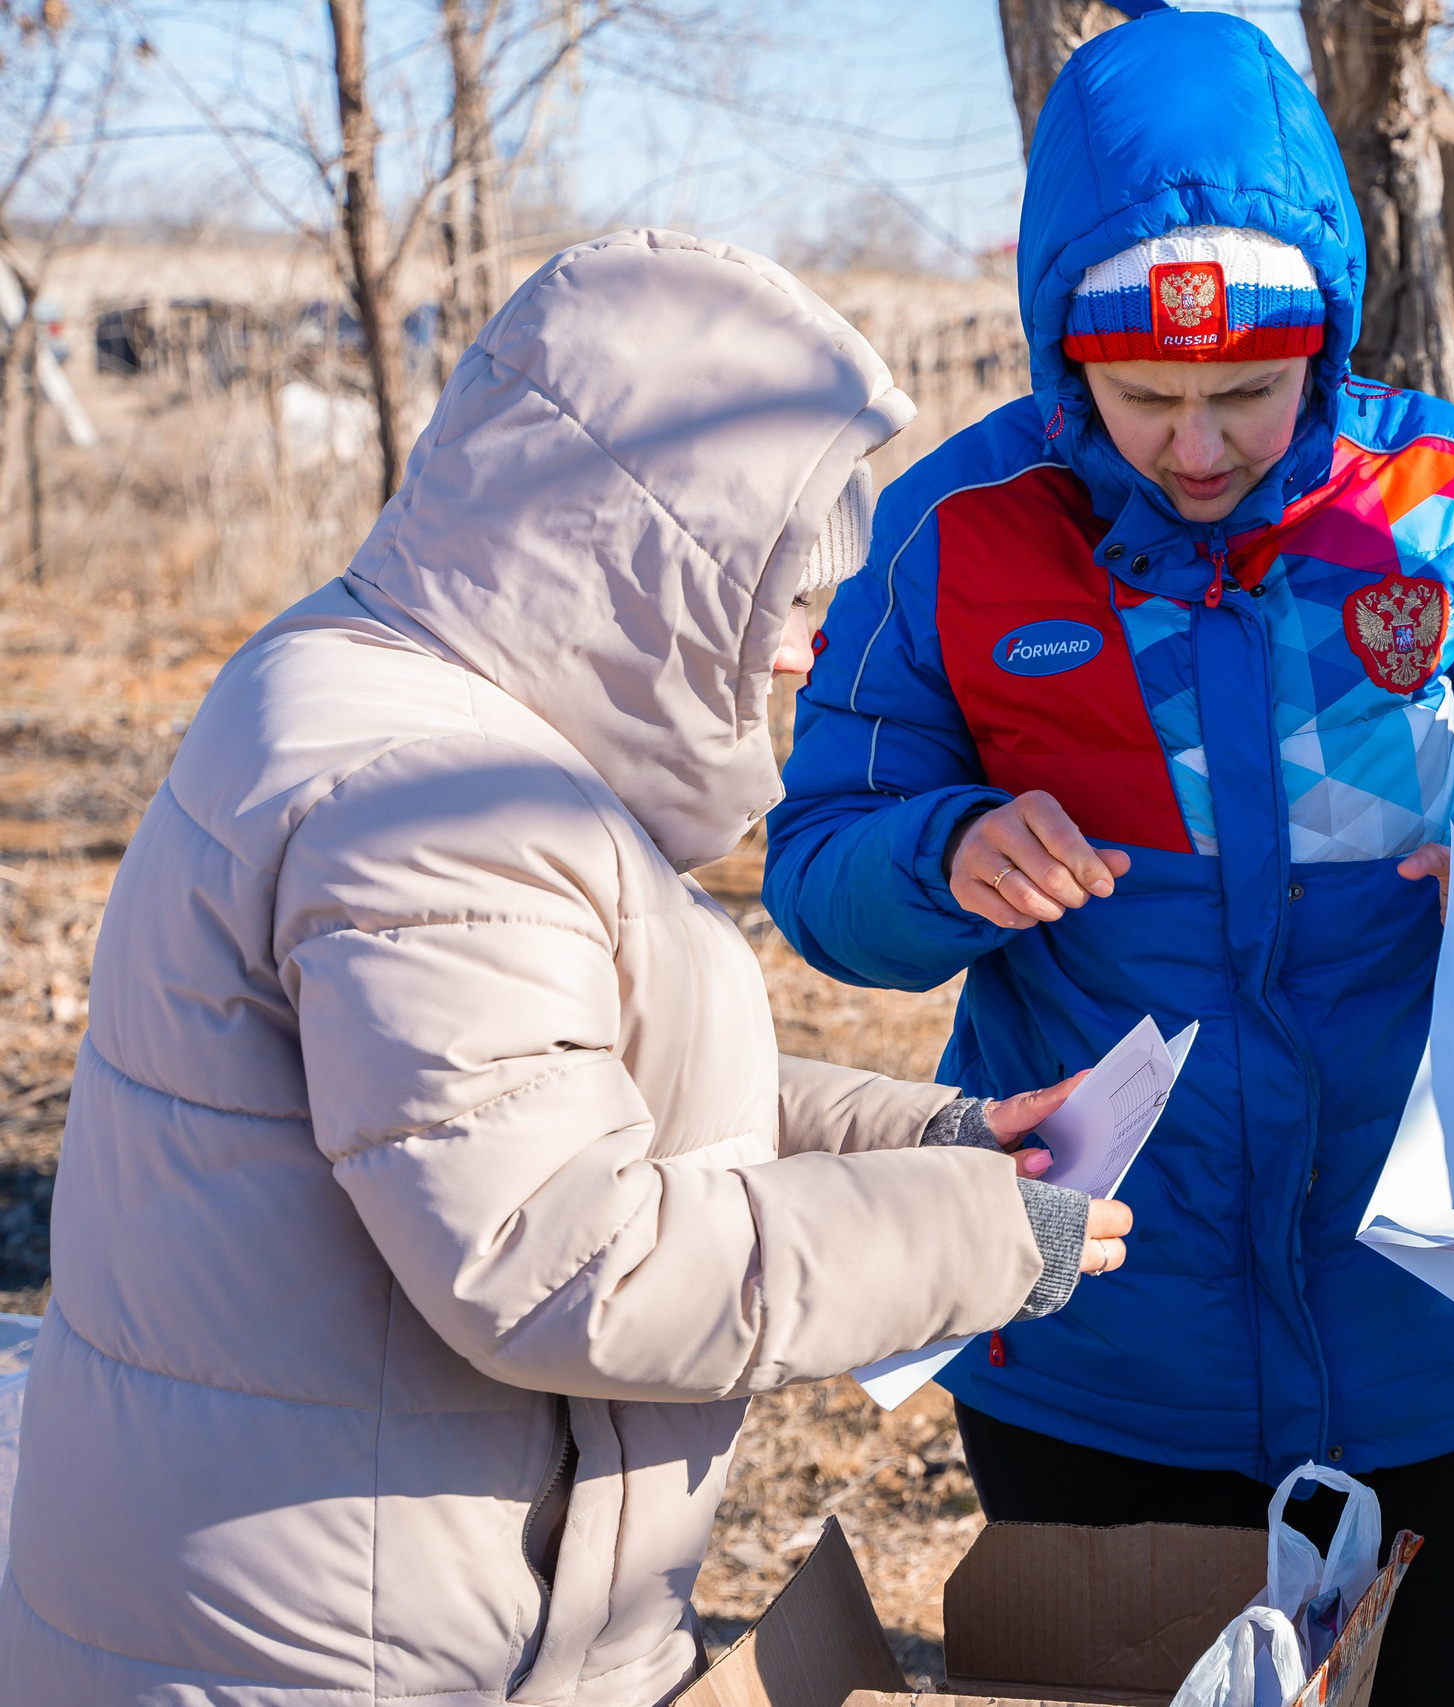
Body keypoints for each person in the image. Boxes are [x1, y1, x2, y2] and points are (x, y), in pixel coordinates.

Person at [0, 229, 1132, 1705]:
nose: (805, 653)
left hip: (372, 1600)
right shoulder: (429, 806)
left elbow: (571, 1090)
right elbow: (562, 1254)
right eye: (786, 599)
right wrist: (969, 1239)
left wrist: (940, 1140)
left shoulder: (414, 717)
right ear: (656, 555)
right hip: (339, 1652)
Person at [762, 10, 1454, 1698]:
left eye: (1245, 395)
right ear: (1061, 352)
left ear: (1321, 339)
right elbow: (819, 865)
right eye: (1146, 397)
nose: (1195, 447)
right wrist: (942, 855)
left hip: (1429, 1328)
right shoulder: (960, 537)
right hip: (1096, 1351)